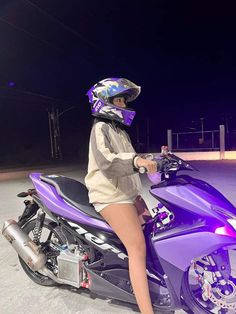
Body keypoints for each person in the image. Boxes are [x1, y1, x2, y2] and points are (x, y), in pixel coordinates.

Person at [85, 78, 161, 314]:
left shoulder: (120, 131)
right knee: (137, 248)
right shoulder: (100, 128)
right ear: (104, 101)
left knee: (154, 234)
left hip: (129, 193)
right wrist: (137, 160)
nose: (123, 105)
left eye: (123, 101)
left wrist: (156, 158)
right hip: (110, 195)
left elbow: (130, 158)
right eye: (118, 99)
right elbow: (108, 163)